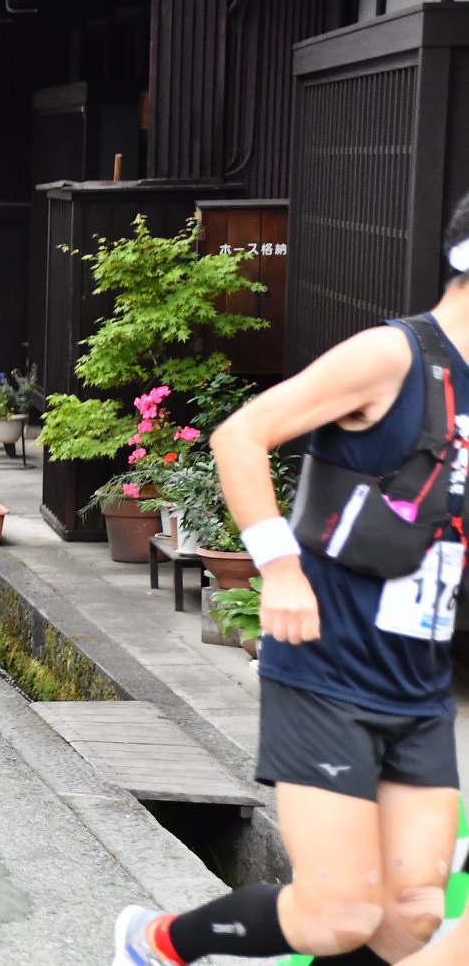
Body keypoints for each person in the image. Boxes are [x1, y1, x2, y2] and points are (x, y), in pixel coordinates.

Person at [110, 198, 469, 966]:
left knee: (410, 914)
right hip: (328, 667)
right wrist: (276, 565)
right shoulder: (397, 356)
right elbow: (240, 434)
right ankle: (158, 942)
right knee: (338, 916)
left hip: (419, 683)